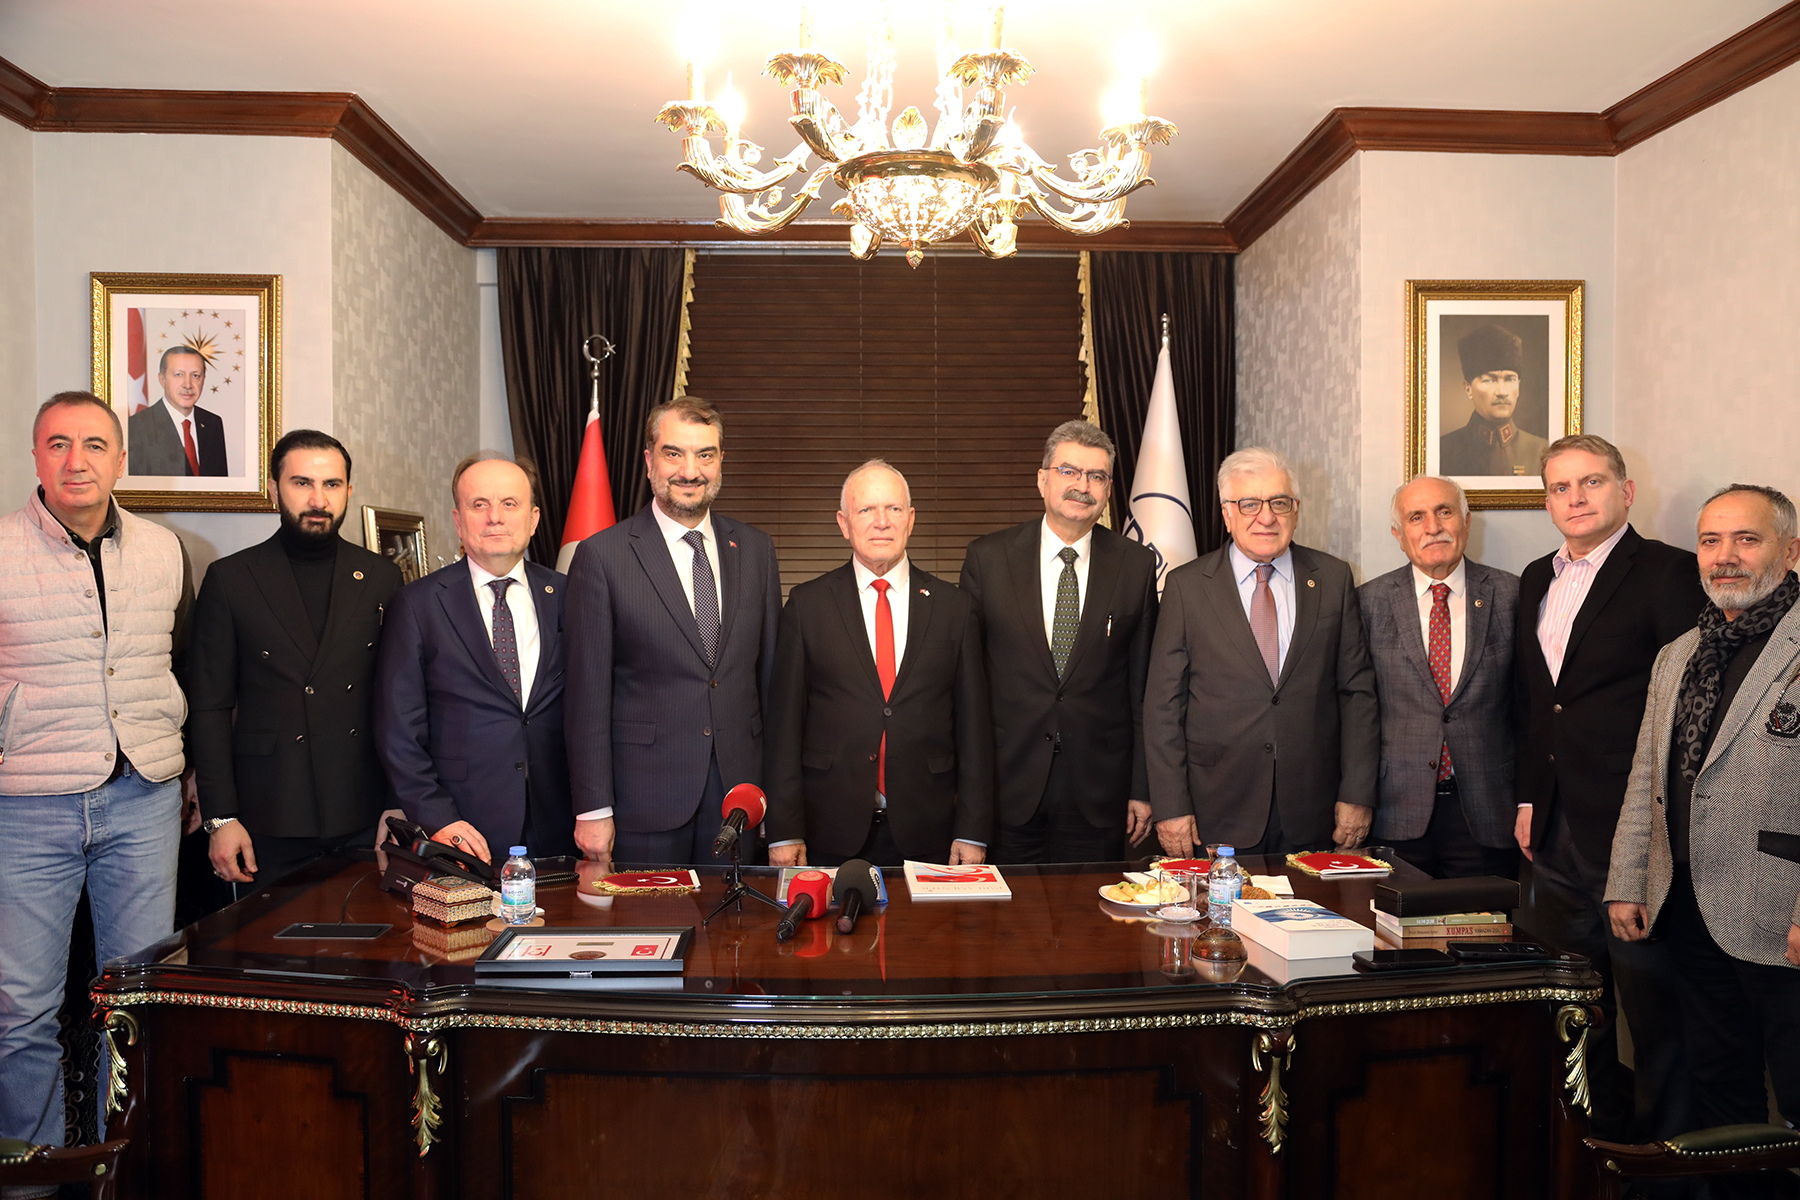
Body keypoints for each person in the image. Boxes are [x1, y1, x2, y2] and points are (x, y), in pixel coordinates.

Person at [0, 392, 191, 1159]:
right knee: (19, 1012)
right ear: (36, 455)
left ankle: (126, 1170)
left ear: (121, 459)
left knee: (139, 1000)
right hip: (27, 808)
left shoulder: (164, 549)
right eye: (57, 444)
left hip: (144, 800)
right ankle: (34, 1178)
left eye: (92, 445)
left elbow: (171, 666)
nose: (75, 461)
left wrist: (184, 769)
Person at [1606, 484, 1800, 1196]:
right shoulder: (1679, 653)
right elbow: (1646, 777)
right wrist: (1627, 880)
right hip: (1689, 905)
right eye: (1711, 541)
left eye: (1746, 539)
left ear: (1790, 550)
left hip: (1782, 912)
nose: (1725, 557)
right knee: (1721, 1087)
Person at [1515, 433, 1706, 1142]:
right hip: (1554, 828)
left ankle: (1665, 1164)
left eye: (1591, 482)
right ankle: (1591, 1147)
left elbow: (1688, 708)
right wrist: (1530, 797)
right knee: (1573, 1002)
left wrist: (1660, 827)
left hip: (1634, 830)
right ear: (1547, 502)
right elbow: (1540, 701)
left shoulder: (1667, 572)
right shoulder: (1535, 577)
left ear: (1625, 491)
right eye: (1560, 488)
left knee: (1654, 1012)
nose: (1576, 498)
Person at [181, 430, 403, 894]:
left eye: (332, 484)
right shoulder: (231, 579)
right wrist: (220, 818)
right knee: (270, 940)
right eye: (302, 483)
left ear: (348, 490)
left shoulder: (381, 576)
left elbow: (400, 703)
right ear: (273, 489)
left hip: (363, 810)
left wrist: (398, 803)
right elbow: (209, 706)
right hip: (268, 811)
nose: (318, 499)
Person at [564, 397, 781, 865]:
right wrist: (593, 808)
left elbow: (769, 684)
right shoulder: (602, 556)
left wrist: (777, 804)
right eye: (674, 453)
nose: (690, 470)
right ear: (649, 462)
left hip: (738, 800)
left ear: (721, 462)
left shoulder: (757, 551)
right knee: (650, 914)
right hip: (644, 801)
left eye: (705, 454)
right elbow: (586, 696)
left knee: (735, 915)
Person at [1144, 446, 1378, 859]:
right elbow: (1164, 705)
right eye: (1249, 504)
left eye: (1279, 503)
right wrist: (1171, 805)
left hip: (1313, 809)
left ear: (1296, 510)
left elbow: (1357, 694)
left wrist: (1357, 794)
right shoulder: (1186, 587)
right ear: (1227, 513)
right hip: (1216, 806)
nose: (1266, 517)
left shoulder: (1333, 578)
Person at [765, 460, 994, 867]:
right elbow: (785, 728)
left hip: (930, 828)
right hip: (829, 827)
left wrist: (972, 829)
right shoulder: (807, 605)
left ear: (911, 520)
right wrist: (785, 829)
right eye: (866, 510)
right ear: (844, 523)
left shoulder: (955, 608)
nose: (881, 522)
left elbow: (974, 728)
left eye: (893, 509)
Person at [960, 419, 1157, 863]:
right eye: (1069, 471)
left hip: (1100, 790)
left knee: (1094, 907)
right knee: (1010, 909)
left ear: (1108, 490)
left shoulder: (1136, 566)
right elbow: (966, 686)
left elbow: (1143, 688)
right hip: (1007, 784)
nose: (1081, 486)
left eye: (1096, 476)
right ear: (1042, 480)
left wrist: (1143, 788)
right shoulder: (988, 559)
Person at [374, 453, 576, 865]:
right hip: (463, 828)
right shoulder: (418, 604)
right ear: (458, 520)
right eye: (479, 504)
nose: (494, 517)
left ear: (533, 519)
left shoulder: (569, 594)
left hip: (562, 824)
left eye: (509, 504)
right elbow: (398, 728)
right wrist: (437, 818)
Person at [1358, 476, 1519, 878]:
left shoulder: (1512, 595)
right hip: (1394, 813)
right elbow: (1354, 710)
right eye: (1416, 517)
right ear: (1399, 534)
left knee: (1486, 919)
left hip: (1488, 811)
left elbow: (1529, 707)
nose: (1433, 527)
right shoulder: (1368, 602)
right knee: (1393, 921)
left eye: (1444, 512)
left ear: (1466, 522)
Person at [1438, 323, 1548, 478]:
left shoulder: (1541, 451)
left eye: (1510, 379)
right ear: (1468, 389)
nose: (1502, 392)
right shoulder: (1444, 450)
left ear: (1519, 386)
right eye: (1489, 380)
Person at [127, 345, 228, 476]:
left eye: (195, 375)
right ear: (162, 379)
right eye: (179, 375)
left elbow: (220, 484)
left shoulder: (213, 423)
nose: (188, 385)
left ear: (203, 380)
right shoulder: (137, 427)